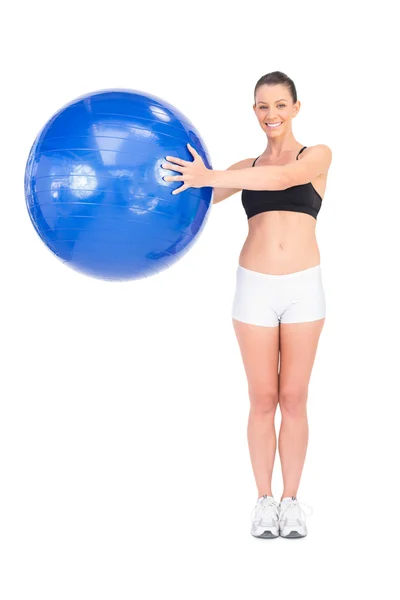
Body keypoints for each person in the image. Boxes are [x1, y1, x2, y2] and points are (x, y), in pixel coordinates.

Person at [161, 70, 332, 539]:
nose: (271, 114)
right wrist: (170, 177)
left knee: (294, 399)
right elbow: (194, 199)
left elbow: (283, 178)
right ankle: (263, 502)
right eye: (262, 106)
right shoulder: (243, 165)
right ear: (254, 111)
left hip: (304, 289)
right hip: (253, 289)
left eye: (279, 105)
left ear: (296, 108)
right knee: (263, 400)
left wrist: (212, 175)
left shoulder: (316, 155)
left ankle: (292, 502)